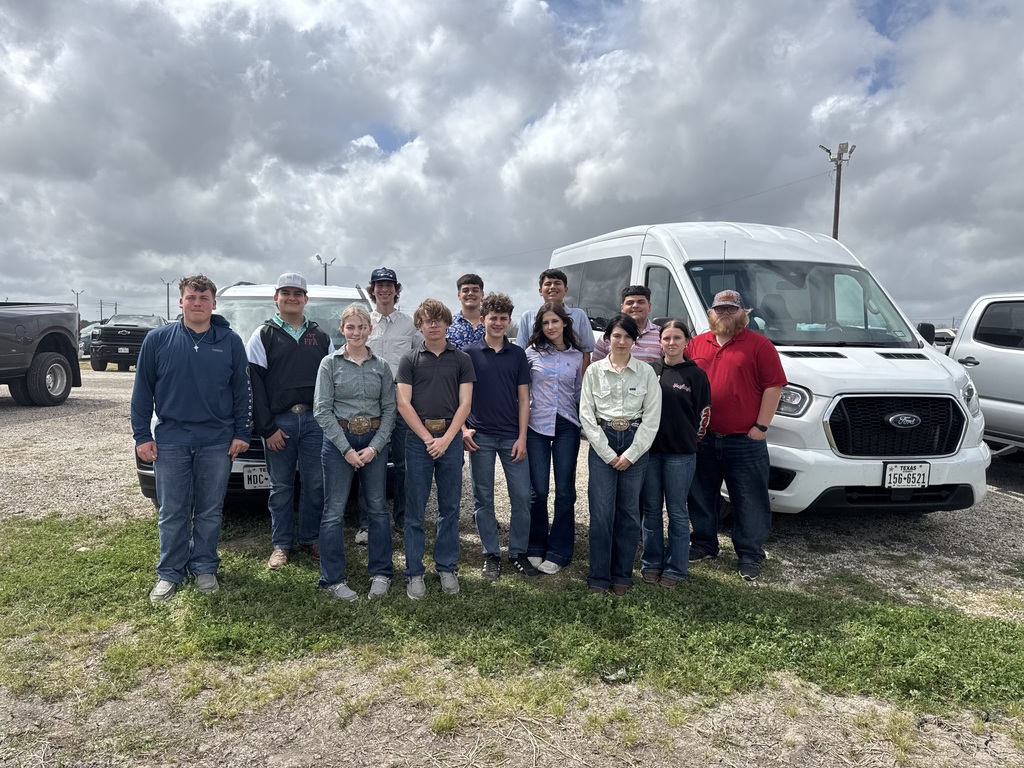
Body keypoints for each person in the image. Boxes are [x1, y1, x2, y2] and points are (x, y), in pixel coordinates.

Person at [131, 274, 252, 602]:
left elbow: (242, 393)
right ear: (180, 302)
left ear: (214, 304)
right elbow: (142, 391)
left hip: (217, 440)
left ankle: (204, 567)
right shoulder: (158, 340)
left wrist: (242, 432)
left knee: (210, 509)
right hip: (171, 440)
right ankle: (169, 572)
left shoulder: (230, 341)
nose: (197, 303)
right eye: (191, 297)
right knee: (172, 510)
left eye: (203, 298)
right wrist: (142, 435)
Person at [686, 290, 787, 582]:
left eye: (732, 309)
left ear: (744, 313)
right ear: (711, 313)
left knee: (750, 499)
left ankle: (750, 554)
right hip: (703, 439)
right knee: (701, 496)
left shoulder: (759, 345)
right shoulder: (696, 343)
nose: (725, 314)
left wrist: (761, 428)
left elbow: (774, 387)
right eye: (720, 309)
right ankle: (704, 544)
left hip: (745, 440)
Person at [246, 272, 333, 570]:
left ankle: (310, 538)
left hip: (314, 422)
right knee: (281, 487)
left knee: (315, 484)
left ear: (306, 299)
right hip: (279, 423)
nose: (292, 297)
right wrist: (266, 427)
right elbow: (254, 384)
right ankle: (281, 544)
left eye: (298, 293)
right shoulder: (263, 334)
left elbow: (331, 382)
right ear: (276, 298)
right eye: (286, 293)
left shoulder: (321, 337)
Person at [314, 305, 396, 600]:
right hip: (339, 442)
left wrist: (375, 446)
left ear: (369, 330)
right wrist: (347, 449)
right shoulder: (329, 364)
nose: (357, 332)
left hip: (374, 439)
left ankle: (381, 572)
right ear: (342, 330)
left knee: (376, 507)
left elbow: (390, 409)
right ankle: (333, 578)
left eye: (362, 327)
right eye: (351, 327)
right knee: (333, 511)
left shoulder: (382, 367)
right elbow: (322, 411)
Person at [579, 313, 662, 596]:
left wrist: (631, 454)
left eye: (628, 336)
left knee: (628, 513)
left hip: (634, 442)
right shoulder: (593, 371)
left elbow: (652, 417)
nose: (622, 341)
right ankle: (599, 577)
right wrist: (605, 452)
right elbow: (587, 415)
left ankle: (622, 576)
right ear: (607, 339)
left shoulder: (646, 372)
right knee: (601, 514)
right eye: (617, 335)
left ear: (634, 340)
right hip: (603, 441)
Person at [398, 299, 476, 599]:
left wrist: (446, 439)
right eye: (427, 320)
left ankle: (446, 566)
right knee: (415, 510)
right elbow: (403, 403)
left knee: (449, 507)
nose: (433, 325)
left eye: (438, 320)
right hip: (419, 440)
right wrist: (428, 439)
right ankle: (414, 572)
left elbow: (465, 403)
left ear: (446, 324)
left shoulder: (461, 359)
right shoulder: (410, 359)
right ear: (420, 326)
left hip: (451, 438)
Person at [463, 292, 537, 581]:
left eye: (503, 318)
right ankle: (490, 553)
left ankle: (517, 552)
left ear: (509, 322)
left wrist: (522, 437)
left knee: (521, 496)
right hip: (479, 436)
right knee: (483, 499)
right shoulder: (468, 354)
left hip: (511, 438)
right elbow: (462, 399)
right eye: (492, 317)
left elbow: (523, 399)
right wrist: (462, 429)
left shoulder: (518, 354)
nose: (497, 323)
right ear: (483, 319)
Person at [640, 320, 711, 587]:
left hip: (680, 455)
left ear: (686, 342)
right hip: (651, 452)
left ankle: (676, 567)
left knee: (678, 511)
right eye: (666, 338)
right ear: (660, 342)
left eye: (676, 338)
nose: (671, 343)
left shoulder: (696, 375)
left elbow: (704, 415)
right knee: (651, 510)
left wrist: (689, 442)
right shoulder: (649, 371)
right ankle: (651, 563)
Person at [525, 302, 585, 575]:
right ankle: (536, 545)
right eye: (545, 323)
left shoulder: (577, 356)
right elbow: (522, 392)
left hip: (566, 427)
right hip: (536, 426)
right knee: (537, 491)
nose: (550, 327)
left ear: (564, 324)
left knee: (564, 491)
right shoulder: (530, 353)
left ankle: (560, 549)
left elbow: (580, 392)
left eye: (555, 322)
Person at [363, 266, 420, 544]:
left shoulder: (409, 325)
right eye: (378, 285)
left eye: (389, 285)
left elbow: (421, 362)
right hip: (369, 405)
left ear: (397, 290)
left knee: (403, 464)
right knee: (368, 462)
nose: (384, 289)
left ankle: (402, 517)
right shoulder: (363, 322)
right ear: (371, 290)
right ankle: (366, 522)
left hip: (400, 404)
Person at [516, 268, 594, 371]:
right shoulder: (528, 317)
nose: (552, 287)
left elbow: (586, 352)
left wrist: (583, 383)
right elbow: (520, 354)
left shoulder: (579, 315)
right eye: (548, 284)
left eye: (557, 283)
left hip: (570, 381)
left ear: (565, 290)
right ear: (540, 291)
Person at [592, 285, 662, 363]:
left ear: (649, 306)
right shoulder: (607, 337)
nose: (635, 306)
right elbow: (596, 369)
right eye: (630, 303)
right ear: (622, 308)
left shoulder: (661, 335)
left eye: (641, 302)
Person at [445, 273, 485, 349]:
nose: (470, 293)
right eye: (465, 290)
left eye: (475, 290)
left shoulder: (491, 324)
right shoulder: (448, 325)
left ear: (482, 295)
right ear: (459, 295)